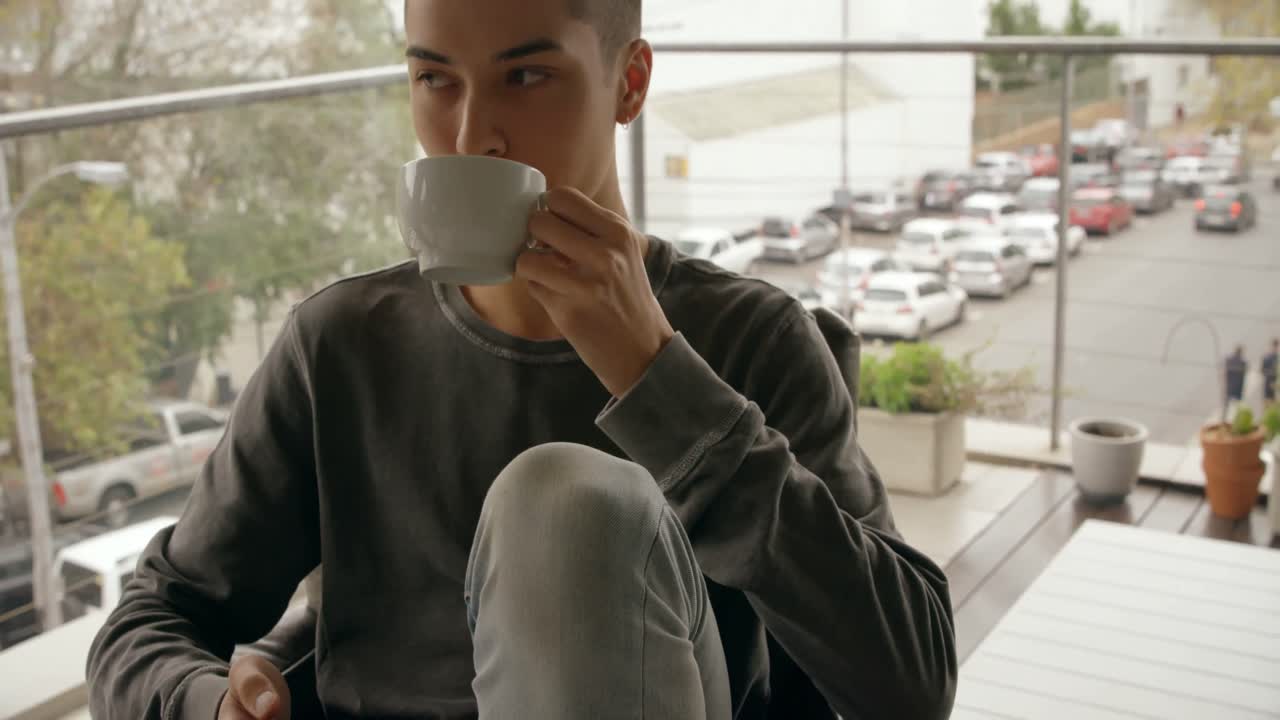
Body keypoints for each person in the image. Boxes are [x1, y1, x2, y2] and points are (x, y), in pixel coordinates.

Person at [86, 1, 957, 718]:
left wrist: (658, 377)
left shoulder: (750, 340)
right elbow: (150, 621)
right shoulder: (341, 346)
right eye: (435, 79)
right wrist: (209, 702)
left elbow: (912, 684)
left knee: (566, 508)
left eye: (527, 76)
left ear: (630, 82)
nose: (472, 135)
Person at [1262, 339, 1278, 403]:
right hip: (1269, 381)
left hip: (1276, 382)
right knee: (1268, 399)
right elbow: (1263, 370)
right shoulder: (1267, 357)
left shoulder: (1277, 357)